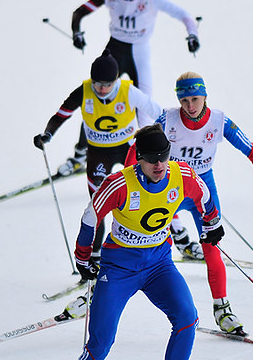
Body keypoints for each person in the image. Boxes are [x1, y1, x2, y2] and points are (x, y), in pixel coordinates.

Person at [43, 124, 225, 360]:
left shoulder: (181, 175)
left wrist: (212, 223)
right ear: (139, 158)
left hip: (158, 265)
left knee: (187, 318)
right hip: (118, 270)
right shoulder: (119, 184)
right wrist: (83, 257)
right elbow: (91, 216)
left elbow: (205, 196)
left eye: (164, 156)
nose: (159, 164)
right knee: (101, 341)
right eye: (151, 158)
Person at [56, 0, 203, 261]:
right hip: (115, 50)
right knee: (96, 101)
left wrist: (192, 34)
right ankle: (81, 153)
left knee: (144, 113)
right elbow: (79, 12)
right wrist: (77, 33)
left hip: (139, 54)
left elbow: (184, 15)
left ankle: (150, 162)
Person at [126, 72, 253, 336]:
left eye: (195, 99)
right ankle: (115, 281)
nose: (190, 106)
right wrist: (128, 181)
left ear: (205, 96)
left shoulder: (219, 121)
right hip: (173, 186)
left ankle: (222, 309)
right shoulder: (168, 119)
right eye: (184, 100)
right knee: (146, 237)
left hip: (203, 189)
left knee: (212, 247)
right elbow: (137, 148)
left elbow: (251, 150)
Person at [33, 49, 163, 266]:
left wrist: (165, 139)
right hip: (98, 152)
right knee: (97, 204)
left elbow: (157, 111)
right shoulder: (84, 91)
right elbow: (61, 115)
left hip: (128, 149)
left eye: (108, 84)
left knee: (138, 197)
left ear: (116, 80)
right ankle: (94, 255)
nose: (102, 89)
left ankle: (142, 246)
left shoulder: (127, 90)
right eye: (98, 83)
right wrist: (47, 134)